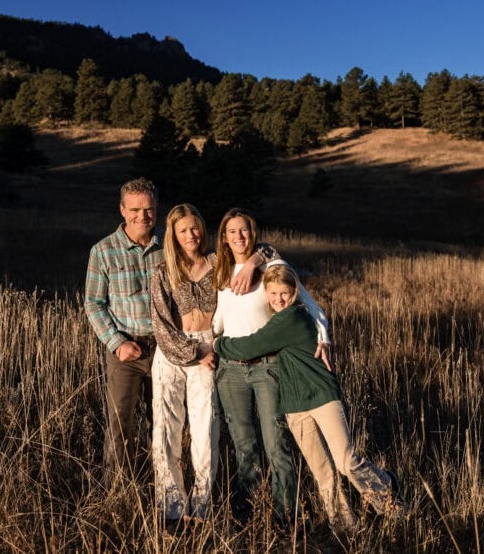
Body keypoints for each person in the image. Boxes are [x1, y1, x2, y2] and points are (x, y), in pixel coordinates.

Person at [213, 264, 402, 532]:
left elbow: (249, 346)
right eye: (274, 293)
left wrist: (217, 343)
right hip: (294, 405)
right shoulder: (277, 319)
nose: (279, 299)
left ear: (295, 292)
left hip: (322, 396)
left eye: (285, 293)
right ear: (266, 293)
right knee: (322, 471)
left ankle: (387, 491)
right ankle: (345, 525)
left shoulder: (295, 318)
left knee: (346, 460)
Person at [149, 203, 271, 520]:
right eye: (183, 230)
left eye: (196, 227)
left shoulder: (218, 262)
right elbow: (161, 326)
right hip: (173, 355)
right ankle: (173, 508)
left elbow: (268, 250)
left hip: (208, 350)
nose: (192, 234)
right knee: (165, 432)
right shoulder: (163, 271)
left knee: (206, 430)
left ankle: (201, 506)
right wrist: (195, 352)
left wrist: (254, 260)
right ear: (173, 235)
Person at [211, 208, 332, 524]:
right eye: (233, 231)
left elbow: (308, 303)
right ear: (224, 237)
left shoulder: (271, 265)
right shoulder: (220, 271)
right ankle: (246, 510)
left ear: (254, 233)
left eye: (246, 230)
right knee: (243, 444)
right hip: (231, 371)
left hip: (268, 368)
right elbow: (220, 319)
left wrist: (323, 338)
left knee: (276, 442)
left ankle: (284, 515)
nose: (240, 237)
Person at [84, 178, 163, 478]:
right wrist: (116, 342)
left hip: (164, 351)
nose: (142, 216)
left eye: (149, 209)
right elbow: (93, 303)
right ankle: (117, 491)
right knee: (121, 424)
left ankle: (165, 489)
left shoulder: (168, 246)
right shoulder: (103, 251)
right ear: (121, 210)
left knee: (165, 422)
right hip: (125, 350)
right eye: (135, 210)